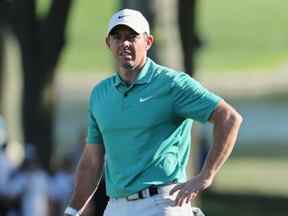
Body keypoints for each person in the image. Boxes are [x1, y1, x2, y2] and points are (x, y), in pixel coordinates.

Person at [64, 9, 242, 216]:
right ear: (108, 43)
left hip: (161, 203)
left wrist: (206, 175)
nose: (125, 44)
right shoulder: (100, 94)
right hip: (115, 206)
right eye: (118, 37)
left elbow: (229, 118)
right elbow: (92, 161)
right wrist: (72, 211)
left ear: (148, 42)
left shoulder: (172, 84)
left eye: (132, 37)